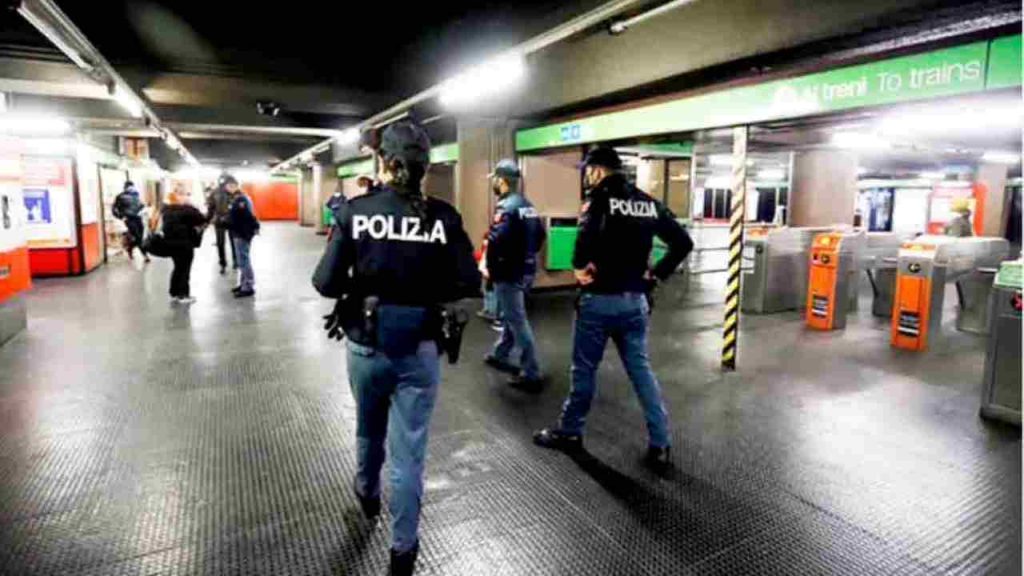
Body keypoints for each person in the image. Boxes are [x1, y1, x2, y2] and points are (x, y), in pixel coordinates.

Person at [312, 120, 480, 576]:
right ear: (425, 167)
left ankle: (367, 494)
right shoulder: (444, 218)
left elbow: (324, 283)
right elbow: (470, 284)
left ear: (384, 162)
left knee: (369, 425)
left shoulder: (354, 211)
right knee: (410, 451)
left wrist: (362, 285)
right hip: (420, 349)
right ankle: (403, 550)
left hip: (367, 346)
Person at [533, 146, 694, 474]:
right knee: (641, 371)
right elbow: (683, 243)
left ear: (596, 171)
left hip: (599, 302)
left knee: (584, 369)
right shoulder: (648, 203)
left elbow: (583, 245)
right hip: (636, 302)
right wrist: (656, 274)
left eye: (588, 171)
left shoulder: (599, 201)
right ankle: (661, 443)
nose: (587, 177)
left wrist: (579, 268)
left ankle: (570, 431)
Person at [482, 159, 547, 392]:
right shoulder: (527, 205)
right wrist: (527, 255)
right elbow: (540, 235)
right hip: (527, 270)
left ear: (502, 180)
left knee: (518, 321)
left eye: (495, 180)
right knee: (513, 315)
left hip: (509, 273)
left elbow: (497, 241)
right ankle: (500, 353)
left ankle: (531, 372)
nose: (494, 184)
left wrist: (490, 269)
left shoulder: (506, 207)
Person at [157, 190, 207, 304]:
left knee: (177, 268)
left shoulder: (166, 211)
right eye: (183, 195)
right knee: (185, 269)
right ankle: (183, 295)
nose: (186, 197)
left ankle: (174, 292)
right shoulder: (186, 210)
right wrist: (191, 206)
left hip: (170, 243)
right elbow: (201, 219)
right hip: (185, 243)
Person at [224, 176, 259, 298]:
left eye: (227, 186)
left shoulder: (241, 200)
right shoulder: (239, 198)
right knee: (242, 260)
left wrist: (226, 221)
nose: (226, 189)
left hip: (242, 233)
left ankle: (248, 286)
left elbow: (246, 217)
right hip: (239, 233)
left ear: (233, 185)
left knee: (244, 260)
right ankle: (244, 283)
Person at [111, 181, 149, 263]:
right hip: (129, 219)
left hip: (138, 218)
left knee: (140, 237)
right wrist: (121, 217)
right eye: (130, 186)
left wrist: (143, 209)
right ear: (125, 187)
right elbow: (114, 209)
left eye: (132, 186)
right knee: (138, 237)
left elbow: (140, 205)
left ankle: (130, 248)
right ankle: (145, 255)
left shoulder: (136, 195)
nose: (131, 188)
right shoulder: (120, 196)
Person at [206, 178, 236, 274]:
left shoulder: (236, 193)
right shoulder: (215, 193)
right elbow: (211, 208)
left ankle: (233, 261)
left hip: (229, 221)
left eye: (234, 185)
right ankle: (224, 263)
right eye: (231, 185)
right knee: (222, 243)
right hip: (221, 221)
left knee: (231, 242)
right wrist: (206, 220)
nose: (232, 187)